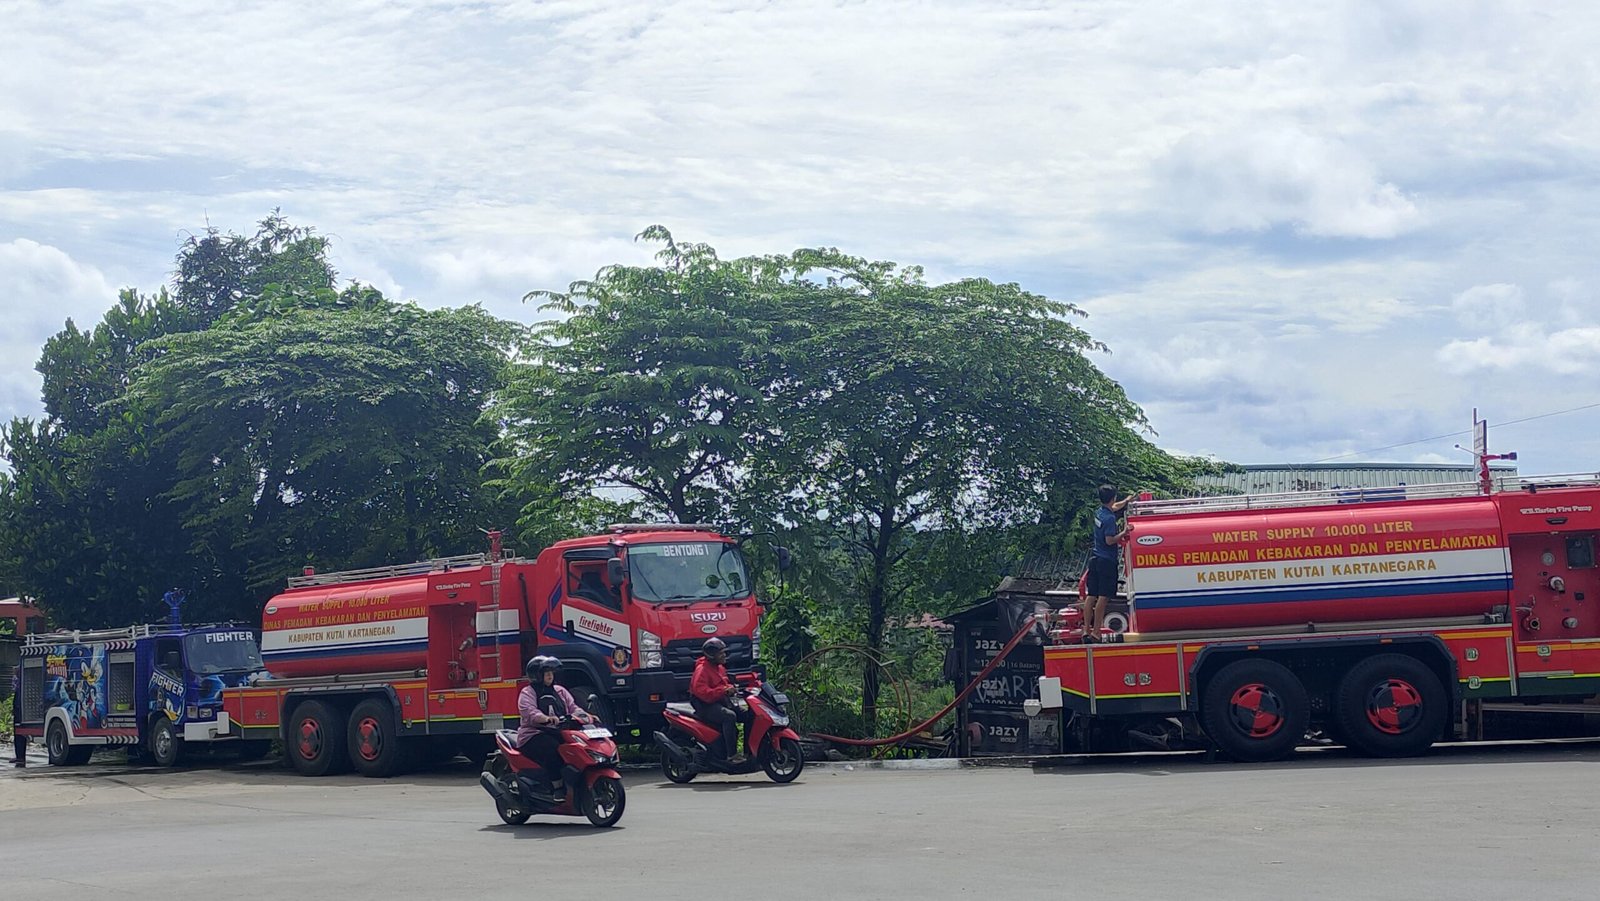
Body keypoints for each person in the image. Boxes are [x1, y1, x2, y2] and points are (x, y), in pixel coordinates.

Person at [515, 655, 595, 797]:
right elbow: (531, 713)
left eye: (551, 673)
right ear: (537, 676)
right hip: (534, 735)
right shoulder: (527, 693)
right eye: (546, 673)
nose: (550, 676)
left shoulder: (560, 691)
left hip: (559, 732)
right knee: (553, 749)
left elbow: (573, 707)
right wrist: (546, 719)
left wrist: (586, 716)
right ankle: (557, 787)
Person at [1084, 484, 1134, 643]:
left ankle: (1086, 630)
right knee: (1103, 598)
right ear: (1112, 498)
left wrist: (1126, 501)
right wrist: (1124, 532)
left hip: (1095, 559)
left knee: (1091, 596)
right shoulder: (1110, 518)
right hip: (1107, 561)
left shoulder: (1100, 513)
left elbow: (1113, 507)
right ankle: (1096, 633)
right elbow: (1110, 540)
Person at [690, 637, 748, 764]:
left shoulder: (719, 668)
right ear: (711, 655)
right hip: (705, 705)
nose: (724, 655)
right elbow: (701, 692)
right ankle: (731, 755)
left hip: (718, 702)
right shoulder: (702, 670)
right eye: (721, 653)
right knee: (729, 716)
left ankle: (749, 751)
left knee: (749, 715)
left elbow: (724, 683)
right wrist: (723, 691)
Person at [9, 665, 25, 767]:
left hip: (20, 706)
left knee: (19, 732)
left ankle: (20, 757)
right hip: (19, 705)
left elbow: (14, 688)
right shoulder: (21, 682)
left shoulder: (21, 682)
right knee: (19, 733)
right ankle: (19, 757)